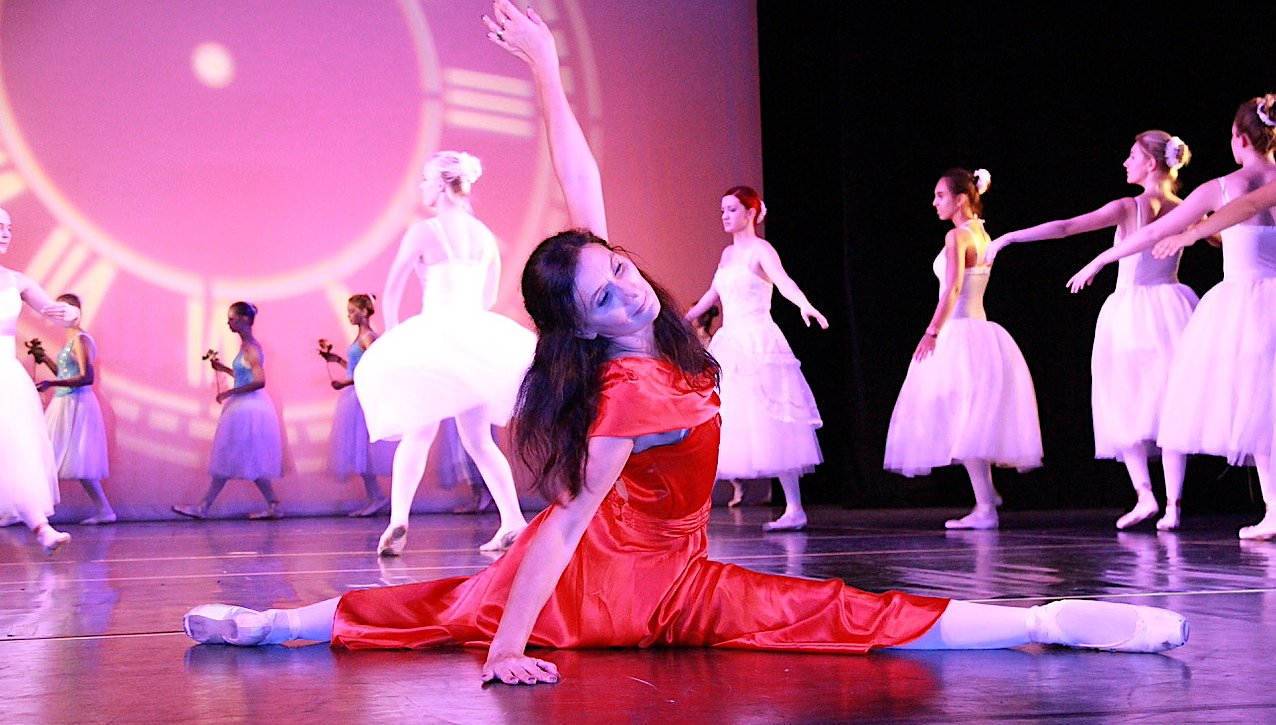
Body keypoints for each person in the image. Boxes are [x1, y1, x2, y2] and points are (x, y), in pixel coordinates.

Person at [180, 3, 1188, 684]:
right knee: (833, 611)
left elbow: (582, 186)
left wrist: (546, 68)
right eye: (606, 290)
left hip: (647, 565)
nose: (627, 281)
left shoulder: (632, 310)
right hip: (633, 585)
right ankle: (1044, 621)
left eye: (617, 267)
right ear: (584, 324)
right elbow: (566, 524)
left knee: (442, 604)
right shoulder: (623, 383)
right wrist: (509, 650)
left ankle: (269, 624)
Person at [1067, 95, 1276, 538]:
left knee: (1258, 403)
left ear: (1240, 139)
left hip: (1247, 304)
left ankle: (1273, 507)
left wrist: (1103, 259)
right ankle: (1272, 508)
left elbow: (1159, 232)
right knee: (1263, 403)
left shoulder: (1223, 188)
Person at [984, 132, 1202, 530]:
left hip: (1130, 310)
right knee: (1170, 404)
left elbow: (1066, 227)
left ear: (1151, 163)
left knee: (1124, 400)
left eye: (1132, 155)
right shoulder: (1186, 208)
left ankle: (1146, 495)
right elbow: (1221, 233)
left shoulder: (1129, 206)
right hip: (1172, 308)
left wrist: (1010, 237)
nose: (1126, 162)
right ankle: (1172, 504)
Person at [353, 150, 534, 555]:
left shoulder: (424, 231)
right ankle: (512, 519)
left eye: (424, 180)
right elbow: (488, 296)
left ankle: (398, 520)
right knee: (480, 441)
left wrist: (397, 335)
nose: (422, 187)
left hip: (434, 335)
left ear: (438, 185)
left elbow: (393, 288)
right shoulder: (484, 235)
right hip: (473, 337)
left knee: (418, 434)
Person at [883, 169, 1043, 529]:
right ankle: (987, 495)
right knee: (970, 417)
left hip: (959, 331)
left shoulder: (957, 235)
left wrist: (932, 331)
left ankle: (985, 507)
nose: (935, 202)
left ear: (961, 199)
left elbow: (953, 289)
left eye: (940, 196)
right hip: (980, 332)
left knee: (966, 419)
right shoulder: (982, 234)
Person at [684, 187, 827, 531]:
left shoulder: (761, 250)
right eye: (722, 210)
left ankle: (794, 508)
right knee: (723, 419)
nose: (725, 216)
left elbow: (784, 281)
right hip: (730, 344)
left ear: (750, 213)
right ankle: (696, 508)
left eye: (732, 209)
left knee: (775, 419)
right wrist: (682, 319)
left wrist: (805, 305)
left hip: (759, 341)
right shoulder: (727, 254)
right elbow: (713, 294)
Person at [0, 207, 76, 552]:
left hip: (5, 374)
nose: (5, 233)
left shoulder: (17, 281)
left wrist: (69, 313)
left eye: (9, 227)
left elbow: (53, 312)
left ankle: (42, 529)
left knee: (17, 449)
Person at [173, 301, 285, 520]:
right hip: (243, 407)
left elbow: (259, 381)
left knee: (230, 455)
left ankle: (204, 507)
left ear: (244, 319)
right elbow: (245, 375)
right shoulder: (246, 346)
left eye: (232, 319)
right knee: (243, 457)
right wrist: (224, 368)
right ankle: (273, 505)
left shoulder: (252, 348)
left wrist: (229, 393)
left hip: (249, 409)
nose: (228, 323)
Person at [34, 293, 115, 525]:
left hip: (75, 404)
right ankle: (30, 512)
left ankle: (105, 511)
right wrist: (45, 359)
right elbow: (65, 373)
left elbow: (86, 377)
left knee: (74, 460)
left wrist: (52, 384)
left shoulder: (80, 340)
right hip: (66, 402)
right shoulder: (71, 339)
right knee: (49, 457)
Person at [319, 294, 393, 517]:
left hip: (360, 398)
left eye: (352, 311)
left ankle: (377, 497)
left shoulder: (369, 337)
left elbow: (373, 370)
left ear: (363, 311)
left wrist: (345, 383)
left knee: (363, 450)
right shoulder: (360, 337)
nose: (349, 315)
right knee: (359, 451)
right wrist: (337, 361)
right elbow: (357, 368)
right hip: (354, 396)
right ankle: (375, 496)